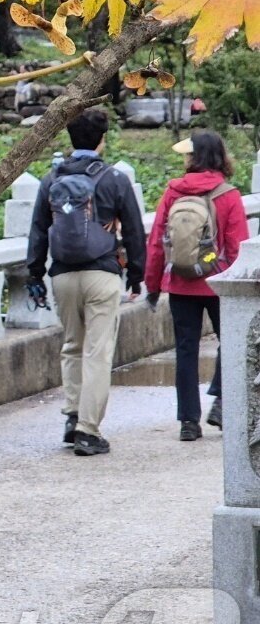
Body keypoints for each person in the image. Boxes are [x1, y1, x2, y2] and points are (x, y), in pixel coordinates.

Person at [27, 108, 146, 457]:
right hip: (102, 275)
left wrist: (35, 273)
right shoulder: (114, 179)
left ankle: (71, 415)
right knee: (97, 352)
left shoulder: (52, 178)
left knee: (72, 347)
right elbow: (135, 232)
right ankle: (88, 430)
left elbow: (38, 230)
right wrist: (136, 274)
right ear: (102, 140)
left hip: (62, 275)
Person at [143, 132, 249, 440]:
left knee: (186, 351)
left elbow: (157, 244)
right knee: (231, 344)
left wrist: (153, 285)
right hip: (219, 283)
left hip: (180, 283)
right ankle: (220, 400)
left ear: (194, 157)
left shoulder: (174, 192)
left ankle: (188, 421)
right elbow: (237, 246)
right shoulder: (228, 195)